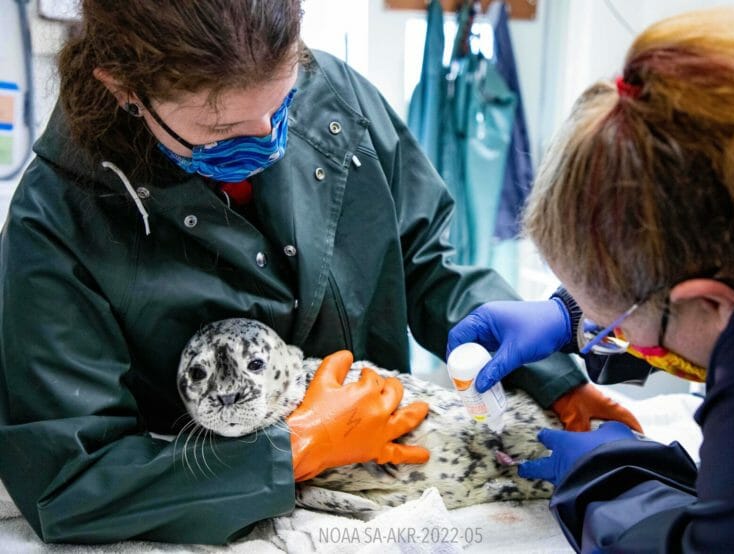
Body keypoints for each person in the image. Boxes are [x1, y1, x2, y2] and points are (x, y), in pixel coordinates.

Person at [0, 0, 638, 545]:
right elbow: (69, 480)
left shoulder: (334, 96)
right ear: (123, 89)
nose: (268, 141)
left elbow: (428, 264)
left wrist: (553, 377)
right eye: (221, 131)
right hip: (227, 513)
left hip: (393, 478)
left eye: (282, 104)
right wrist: (292, 450)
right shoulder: (56, 222)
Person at [449, 6, 734, 552]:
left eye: (618, 326)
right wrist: (573, 318)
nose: (616, 338)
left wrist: (610, 480)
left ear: (713, 301)